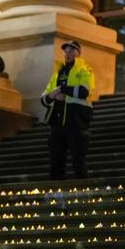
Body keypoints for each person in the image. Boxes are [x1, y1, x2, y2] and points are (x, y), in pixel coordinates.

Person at [41, 40, 95, 180]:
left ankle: (83, 195)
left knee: (78, 160)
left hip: (75, 122)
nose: (68, 53)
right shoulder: (57, 74)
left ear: (78, 53)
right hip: (57, 124)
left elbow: (84, 91)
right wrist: (52, 95)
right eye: (66, 51)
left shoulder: (85, 70)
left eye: (72, 50)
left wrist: (62, 90)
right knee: (56, 162)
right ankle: (56, 196)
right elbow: (44, 99)